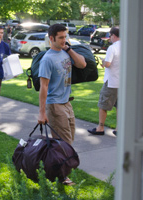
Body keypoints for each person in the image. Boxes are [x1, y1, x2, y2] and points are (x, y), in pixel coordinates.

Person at [38, 24, 86, 185]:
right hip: (55, 105)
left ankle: (56, 169)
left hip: (66, 103)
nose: (64, 40)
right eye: (60, 38)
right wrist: (42, 113)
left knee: (69, 140)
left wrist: (69, 49)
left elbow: (82, 64)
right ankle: (62, 176)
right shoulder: (47, 59)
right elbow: (43, 87)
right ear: (51, 38)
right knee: (63, 143)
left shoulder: (65, 53)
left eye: (65, 37)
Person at [87, 27, 120, 136]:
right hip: (123, 83)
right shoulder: (128, 47)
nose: (109, 38)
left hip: (111, 82)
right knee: (119, 106)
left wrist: (103, 61)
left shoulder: (112, 48)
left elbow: (108, 64)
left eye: (110, 36)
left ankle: (100, 127)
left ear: (114, 36)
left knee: (103, 105)